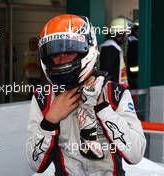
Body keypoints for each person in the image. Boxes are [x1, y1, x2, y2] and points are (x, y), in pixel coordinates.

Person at [26, 14, 146, 176]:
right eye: (54, 54)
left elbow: (136, 154)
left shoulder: (115, 93)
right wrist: (50, 121)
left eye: (69, 51)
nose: (61, 60)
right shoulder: (43, 98)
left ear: (87, 49)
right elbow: (35, 164)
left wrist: (103, 108)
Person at [99, 17, 130, 85]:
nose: (126, 36)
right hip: (112, 91)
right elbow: (106, 73)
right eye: (125, 33)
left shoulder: (112, 47)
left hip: (116, 90)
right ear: (121, 33)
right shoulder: (110, 48)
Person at [126, 19, 139, 89]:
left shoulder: (130, 39)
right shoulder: (134, 42)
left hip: (130, 74)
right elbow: (133, 60)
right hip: (133, 76)